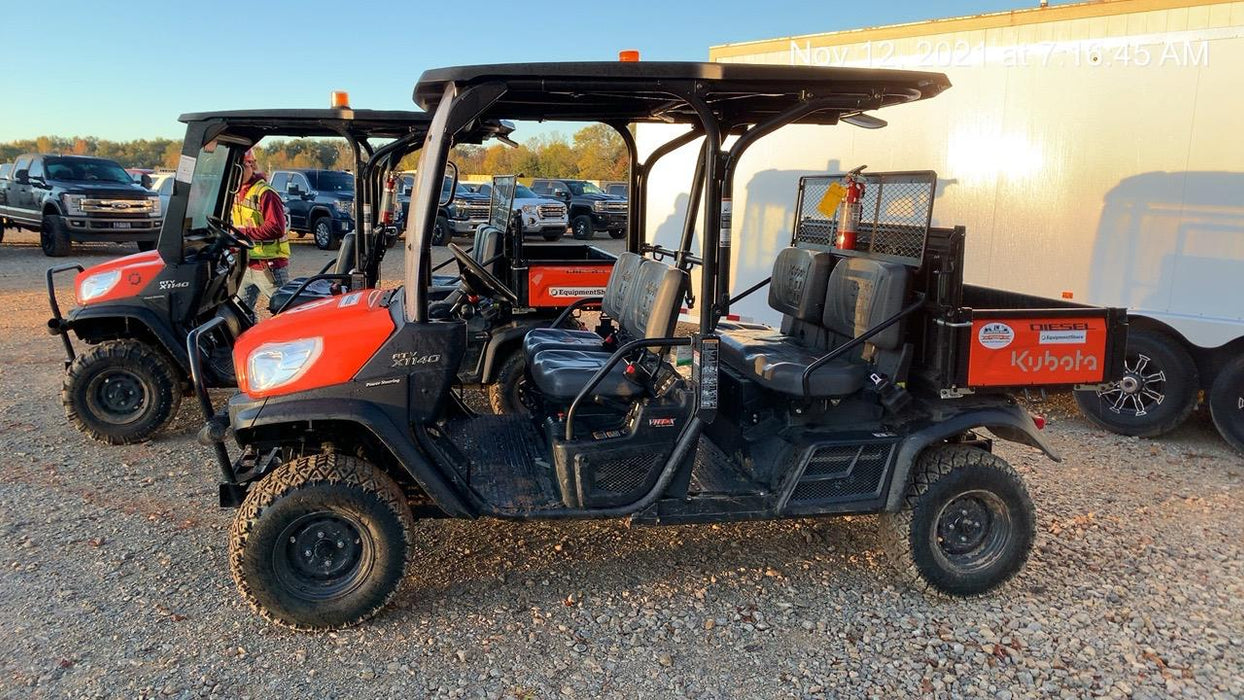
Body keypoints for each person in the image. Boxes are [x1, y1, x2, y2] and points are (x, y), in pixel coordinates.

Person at [232, 149, 290, 310]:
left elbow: (276, 228)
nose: (234, 174)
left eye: (238, 168)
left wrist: (242, 234)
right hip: (246, 263)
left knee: (284, 310)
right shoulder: (235, 192)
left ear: (250, 165)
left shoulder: (265, 194)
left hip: (270, 266)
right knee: (239, 311)